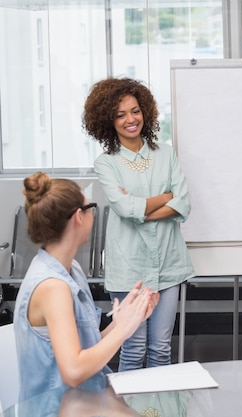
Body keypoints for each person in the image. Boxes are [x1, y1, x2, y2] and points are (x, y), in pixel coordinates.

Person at [13, 172, 158, 401]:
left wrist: (125, 321)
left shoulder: (71, 270)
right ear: (79, 217)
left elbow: (85, 348)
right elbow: (74, 371)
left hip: (83, 403)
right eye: (89, 207)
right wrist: (122, 331)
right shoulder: (53, 287)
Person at [82, 77, 195, 371]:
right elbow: (123, 207)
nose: (130, 119)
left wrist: (141, 208)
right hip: (128, 268)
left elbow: (182, 203)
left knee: (160, 349)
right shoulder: (106, 163)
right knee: (132, 348)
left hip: (168, 265)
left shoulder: (166, 154)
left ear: (145, 111)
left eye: (135, 111)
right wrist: (165, 197)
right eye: (120, 115)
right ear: (108, 121)